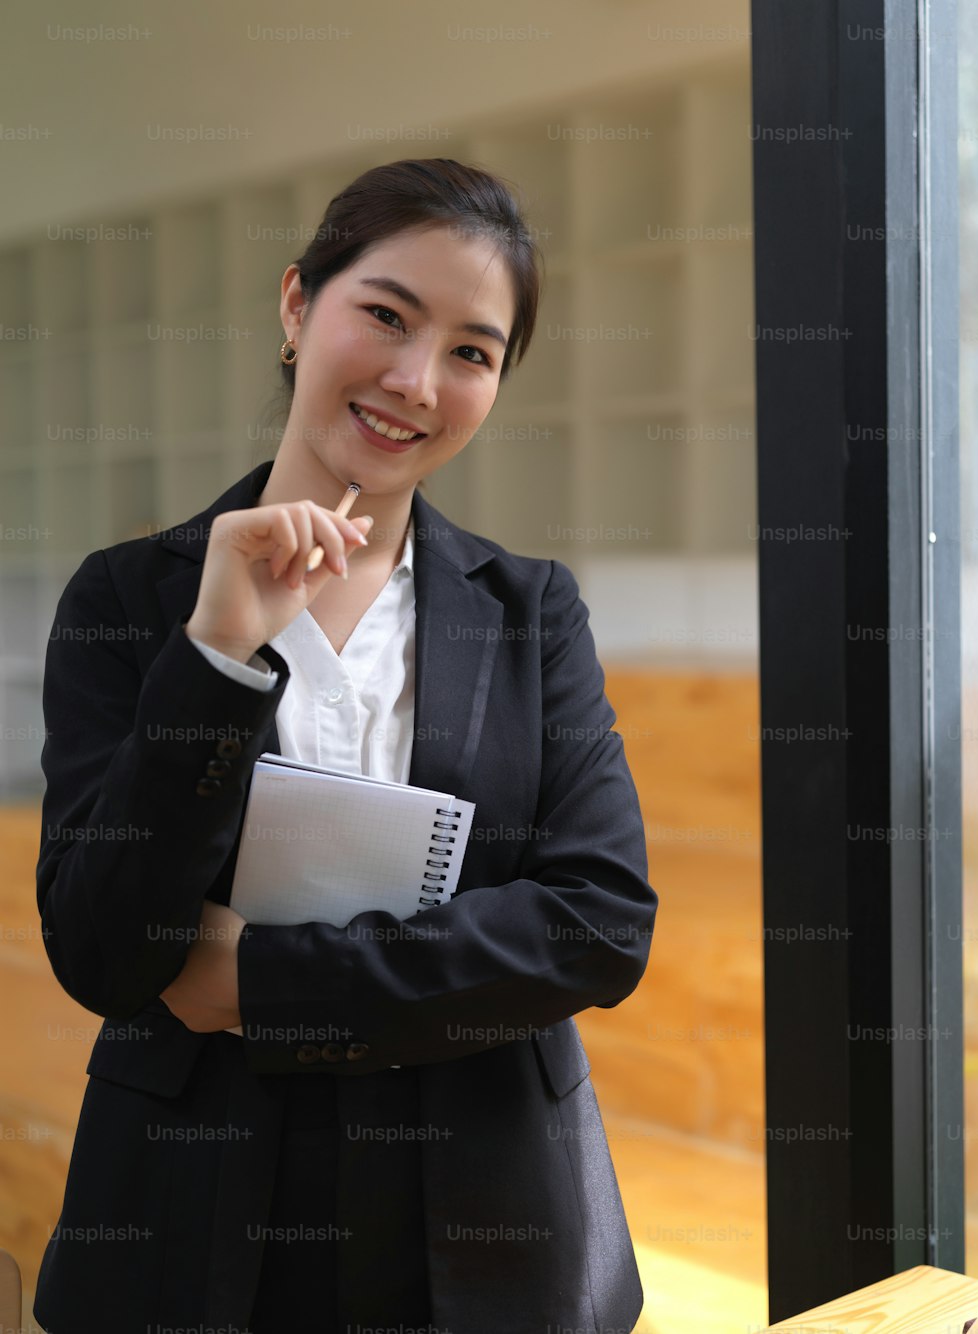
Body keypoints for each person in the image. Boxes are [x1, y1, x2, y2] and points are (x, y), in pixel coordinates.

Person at [33, 158, 658, 1333]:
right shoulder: (127, 598)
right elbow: (102, 948)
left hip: (490, 1212)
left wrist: (257, 982)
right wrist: (217, 652)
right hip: (196, 1209)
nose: (415, 380)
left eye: (473, 351)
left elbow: (596, 921)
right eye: (385, 313)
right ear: (294, 306)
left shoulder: (531, 612)